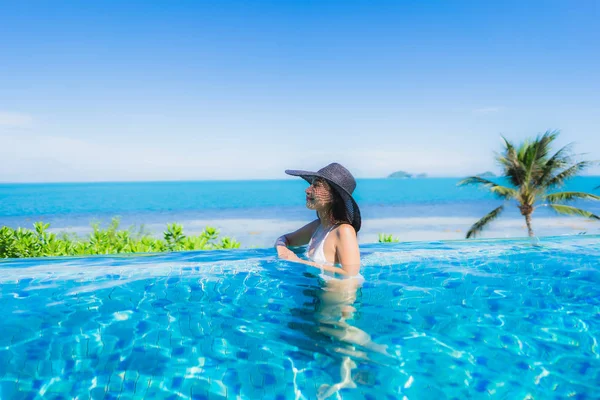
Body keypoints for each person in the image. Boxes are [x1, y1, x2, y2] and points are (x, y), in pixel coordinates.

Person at [274, 162, 363, 279]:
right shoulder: (317, 227)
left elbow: (350, 274)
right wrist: (283, 251)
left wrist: (299, 261)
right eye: (311, 184)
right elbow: (284, 239)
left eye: (316, 185)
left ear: (334, 196)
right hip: (315, 294)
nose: (307, 190)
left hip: (338, 297)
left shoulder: (344, 231)